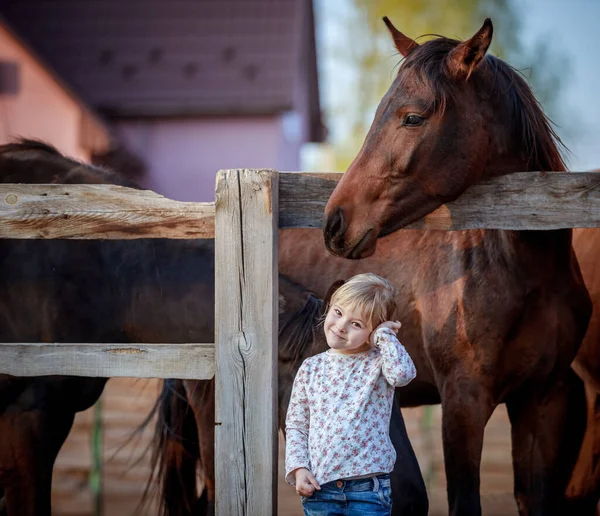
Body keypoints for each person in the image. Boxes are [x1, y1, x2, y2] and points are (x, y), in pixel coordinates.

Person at [285, 272, 417, 516]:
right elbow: (297, 424)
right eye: (338, 312)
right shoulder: (311, 368)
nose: (341, 326)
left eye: (356, 324)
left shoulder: (379, 364)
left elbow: (403, 375)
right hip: (320, 488)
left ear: (373, 332)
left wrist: (385, 336)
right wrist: (298, 467)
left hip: (368, 490)